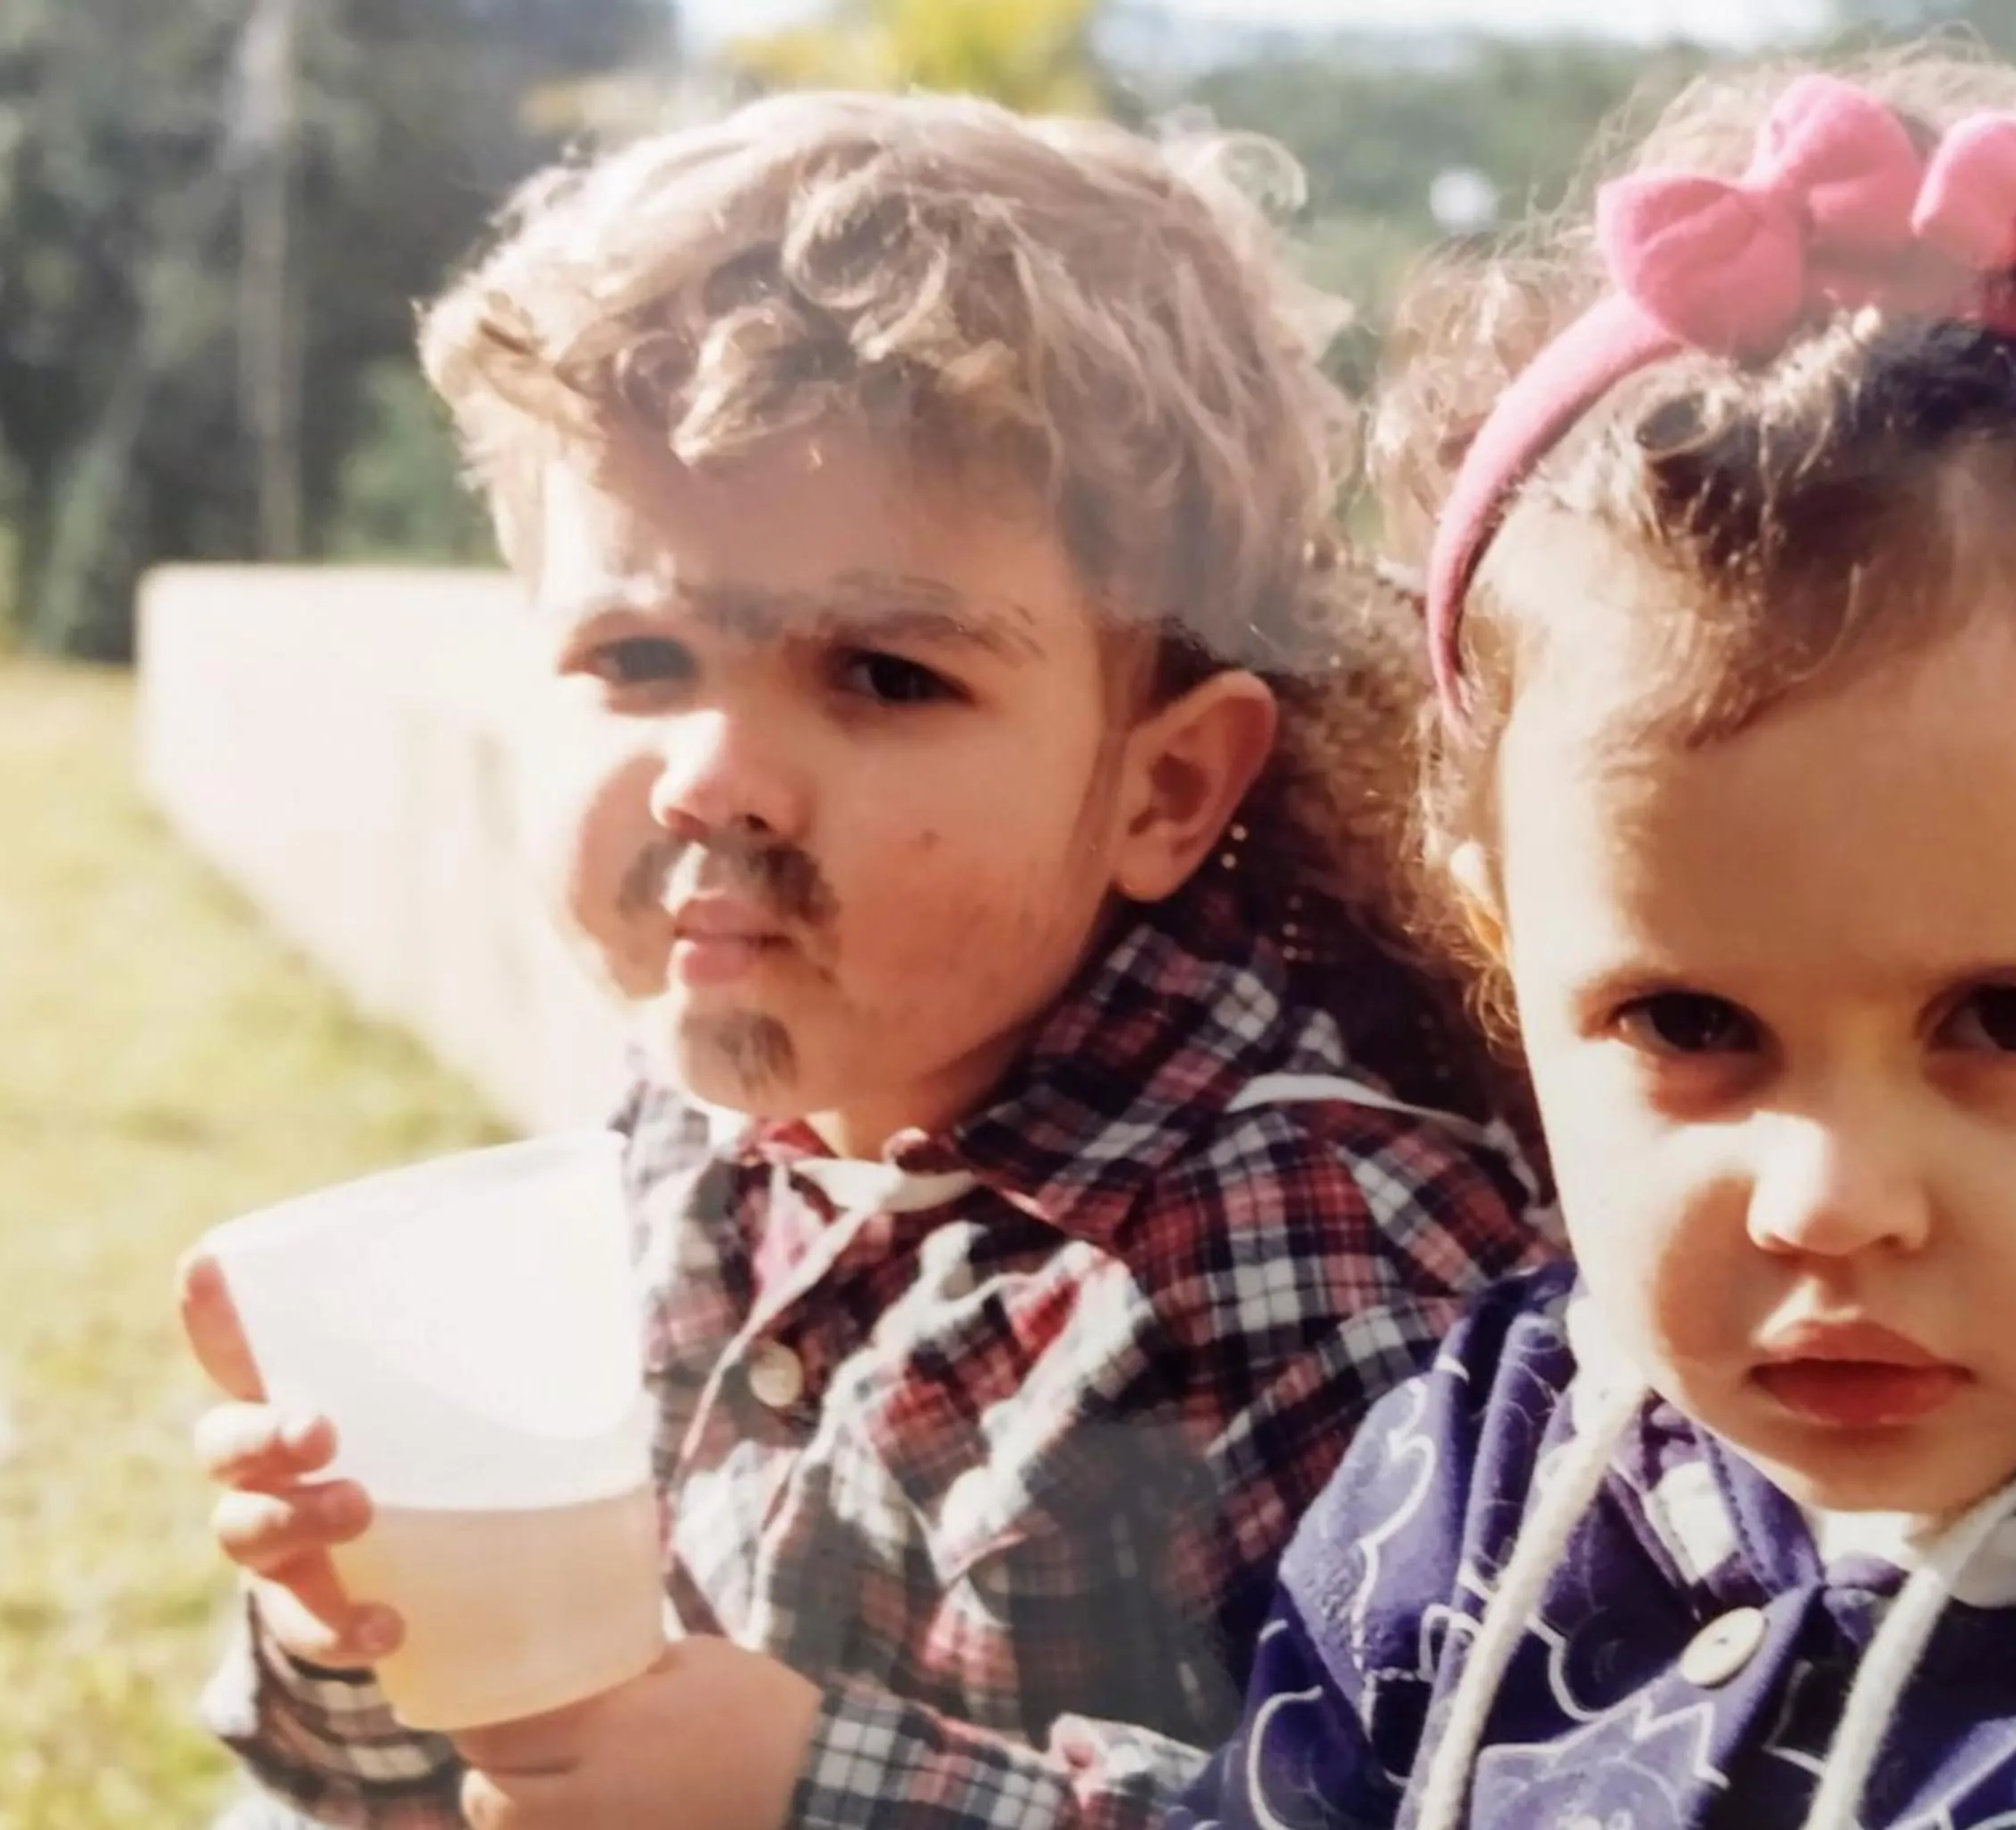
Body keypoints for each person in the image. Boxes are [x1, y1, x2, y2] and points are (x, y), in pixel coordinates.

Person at [182, 91, 1552, 1830]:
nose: (714, 772)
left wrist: (810, 1789)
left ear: (1165, 784)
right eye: (640, 651)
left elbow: (1457, 1799)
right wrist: (366, 1630)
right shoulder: (680, 1146)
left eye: (888, 675)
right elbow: (431, 1781)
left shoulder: (1299, 1253)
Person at [1176, 47, 2016, 1830]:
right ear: (1507, 959)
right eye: (1687, 1017)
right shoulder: (1472, 1474)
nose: (1827, 1199)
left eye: (2005, 1019)